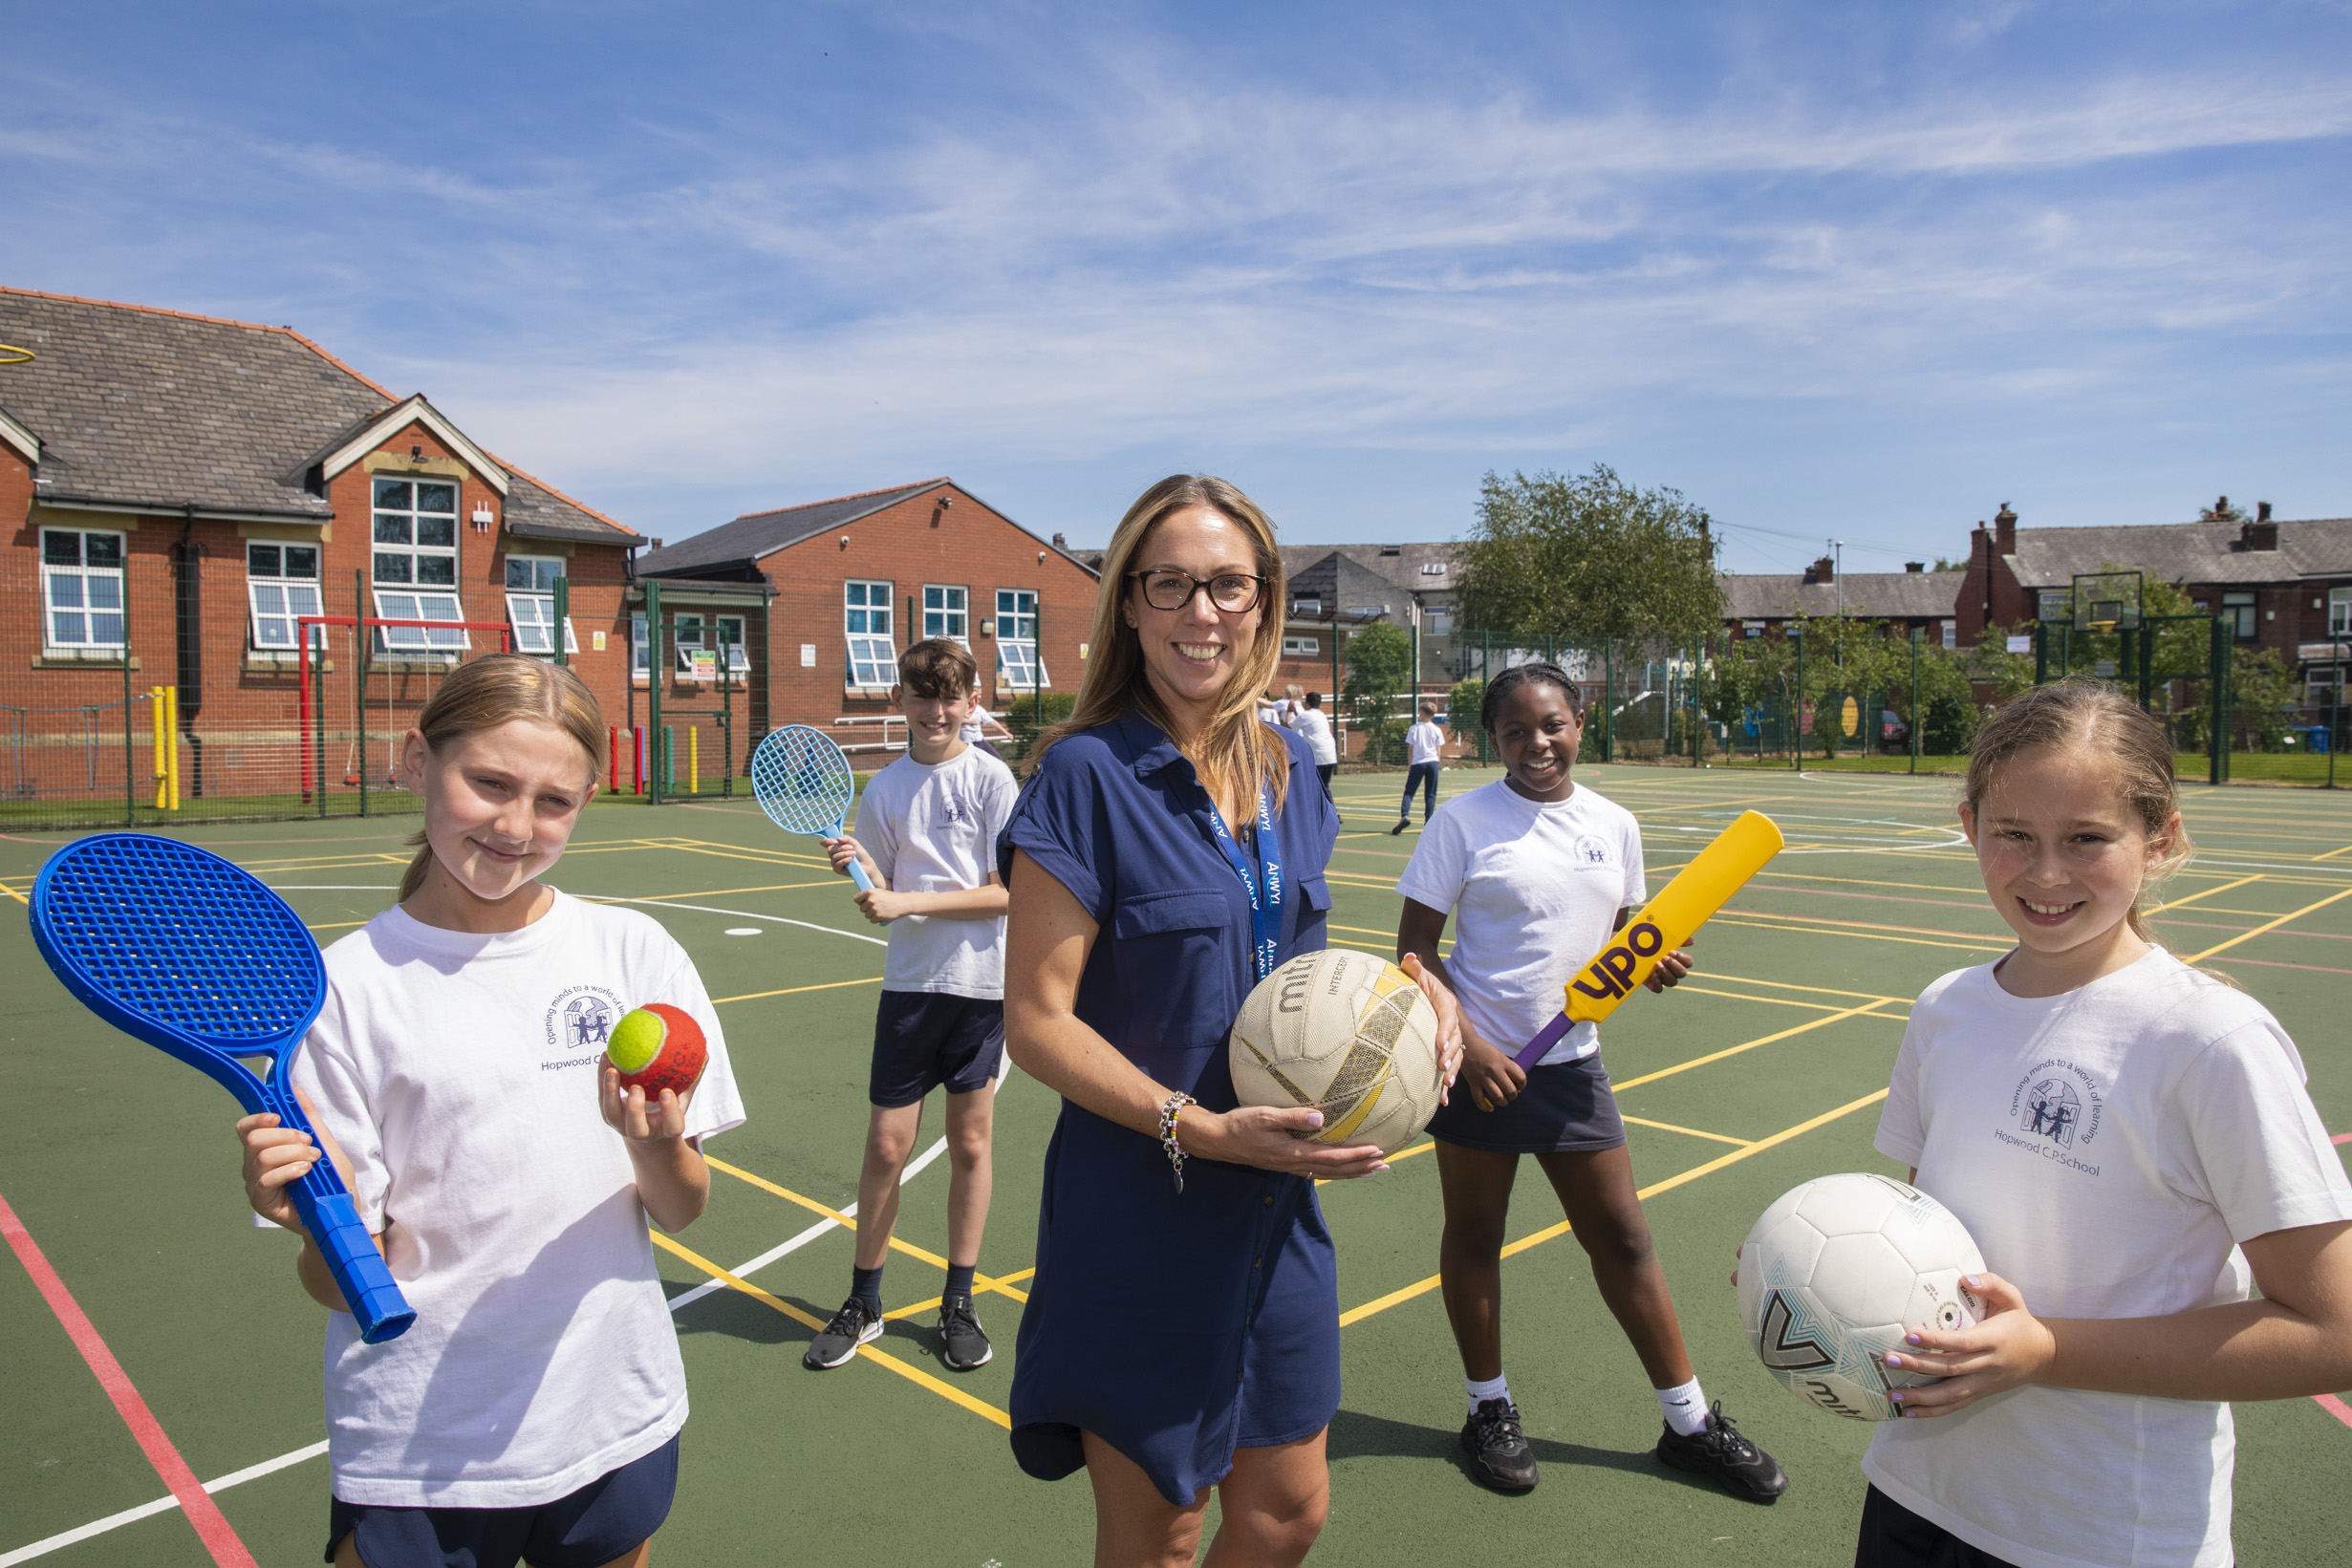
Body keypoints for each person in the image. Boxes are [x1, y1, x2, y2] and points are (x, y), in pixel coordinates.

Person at [999, 473, 1460, 1568]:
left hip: (1275, 1213)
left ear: (1263, 604)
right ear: (1129, 605)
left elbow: (1292, 970)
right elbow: (1034, 1019)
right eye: (1170, 587)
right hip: (1142, 1206)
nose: (1201, 615)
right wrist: (1196, 1127)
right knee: (1162, 1535)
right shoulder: (1083, 777)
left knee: (1287, 1513)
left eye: (1227, 586)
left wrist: (1411, 992)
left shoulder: (1292, 766)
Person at [237, 655, 745, 1568]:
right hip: (422, 1442)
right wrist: (314, 1217)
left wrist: (659, 1144)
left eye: (555, 802)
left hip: (608, 1409)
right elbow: (339, 1285)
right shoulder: (343, 992)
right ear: (414, 761)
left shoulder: (635, 951)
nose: (517, 826)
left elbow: (681, 1207)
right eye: (489, 783)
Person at [1845, 680, 2352, 1568]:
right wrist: (1827, 1264)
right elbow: (1925, 1241)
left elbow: (2333, 1331)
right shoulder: (1946, 1009)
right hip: (1915, 1498)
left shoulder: (2208, 1040)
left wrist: (2048, 1350)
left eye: (2086, 837)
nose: (2045, 873)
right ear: (1969, 826)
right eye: (2014, 835)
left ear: (2161, 839)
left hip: (2102, 1534)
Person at [1395, 662, 1785, 1502]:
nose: (1537, 743)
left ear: (1581, 720)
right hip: (1477, 1070)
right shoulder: (1463, 822)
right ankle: (1487, 1407)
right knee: (1473, 1235)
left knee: (1625, 1240)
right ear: (1491, 738)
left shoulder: (1615, 821)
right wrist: (1471, 1041)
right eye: (1515, 731)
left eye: (1552, 724)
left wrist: (1653, 958)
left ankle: (1686, 1423)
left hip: (1570, 1067)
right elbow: (1415, 953)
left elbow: (1622, 933)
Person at [809, 638, 1018, 1373]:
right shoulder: (885, 790)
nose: (936, 710)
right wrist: (858, 870)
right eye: (922, 695)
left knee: (969, 1146)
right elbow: (881, 892)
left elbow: (1005, 891)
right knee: (886, 1147)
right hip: (909, 990)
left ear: (970, 698)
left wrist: (906, 900)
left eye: (949, 695)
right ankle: (865, 1299)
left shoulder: (993, 780)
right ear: (900, 699)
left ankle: (957, 1299)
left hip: (978, 991)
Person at [1392, 702, 1445, 834]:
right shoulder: (1436, 730)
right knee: (1430, 793)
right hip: (1432, 762)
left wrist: (1410, 764)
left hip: (1418, 763)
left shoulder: (1414, 729)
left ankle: (1405, 815)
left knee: (1409, 791)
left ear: (1421, 713)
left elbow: (1411, 749)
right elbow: (1438, 750)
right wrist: (1437, 762)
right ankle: (1428, 822)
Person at [1287, 691, 1339, 822]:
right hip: (1331, 755)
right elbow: (1304, 721)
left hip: (1319, 756)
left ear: (1307, 703)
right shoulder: (1320, 715)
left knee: (1312, 787)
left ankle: (1318, 816)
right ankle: (1333, 814)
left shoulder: (1306, 715)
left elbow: (1289, 724)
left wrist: (1289, 711)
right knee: (1325, 786)